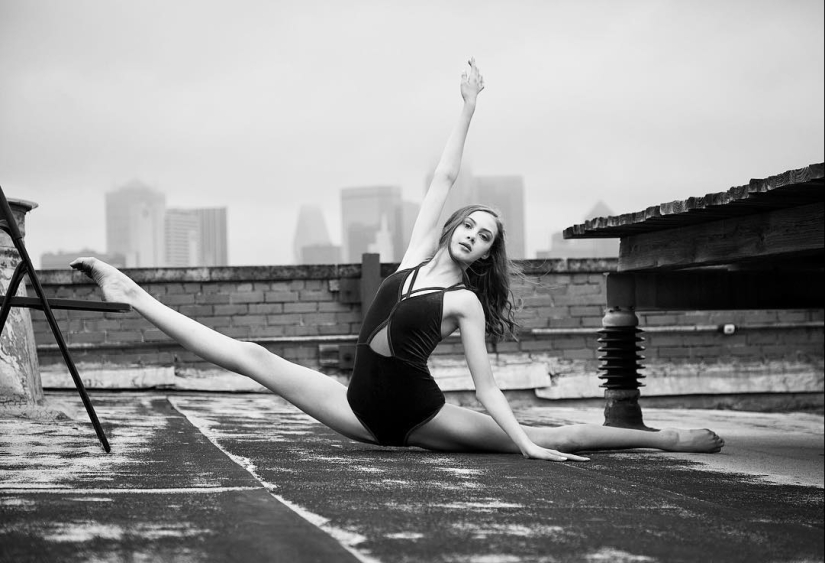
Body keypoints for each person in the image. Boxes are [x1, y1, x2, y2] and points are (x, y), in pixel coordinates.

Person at [71, 59, 724, 461]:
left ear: (486, 255)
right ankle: (130, 293)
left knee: (561, 436)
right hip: (356, 408)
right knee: (250, 355)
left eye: (485, 237)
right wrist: (467, 106)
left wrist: (522, 444)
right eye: (468, 226)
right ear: (450, 231)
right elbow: (441, 179)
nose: (472, 236)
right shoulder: (413, 256)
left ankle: (668, 439)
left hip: (420, 417)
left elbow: (489, 386)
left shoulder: (464, 301)